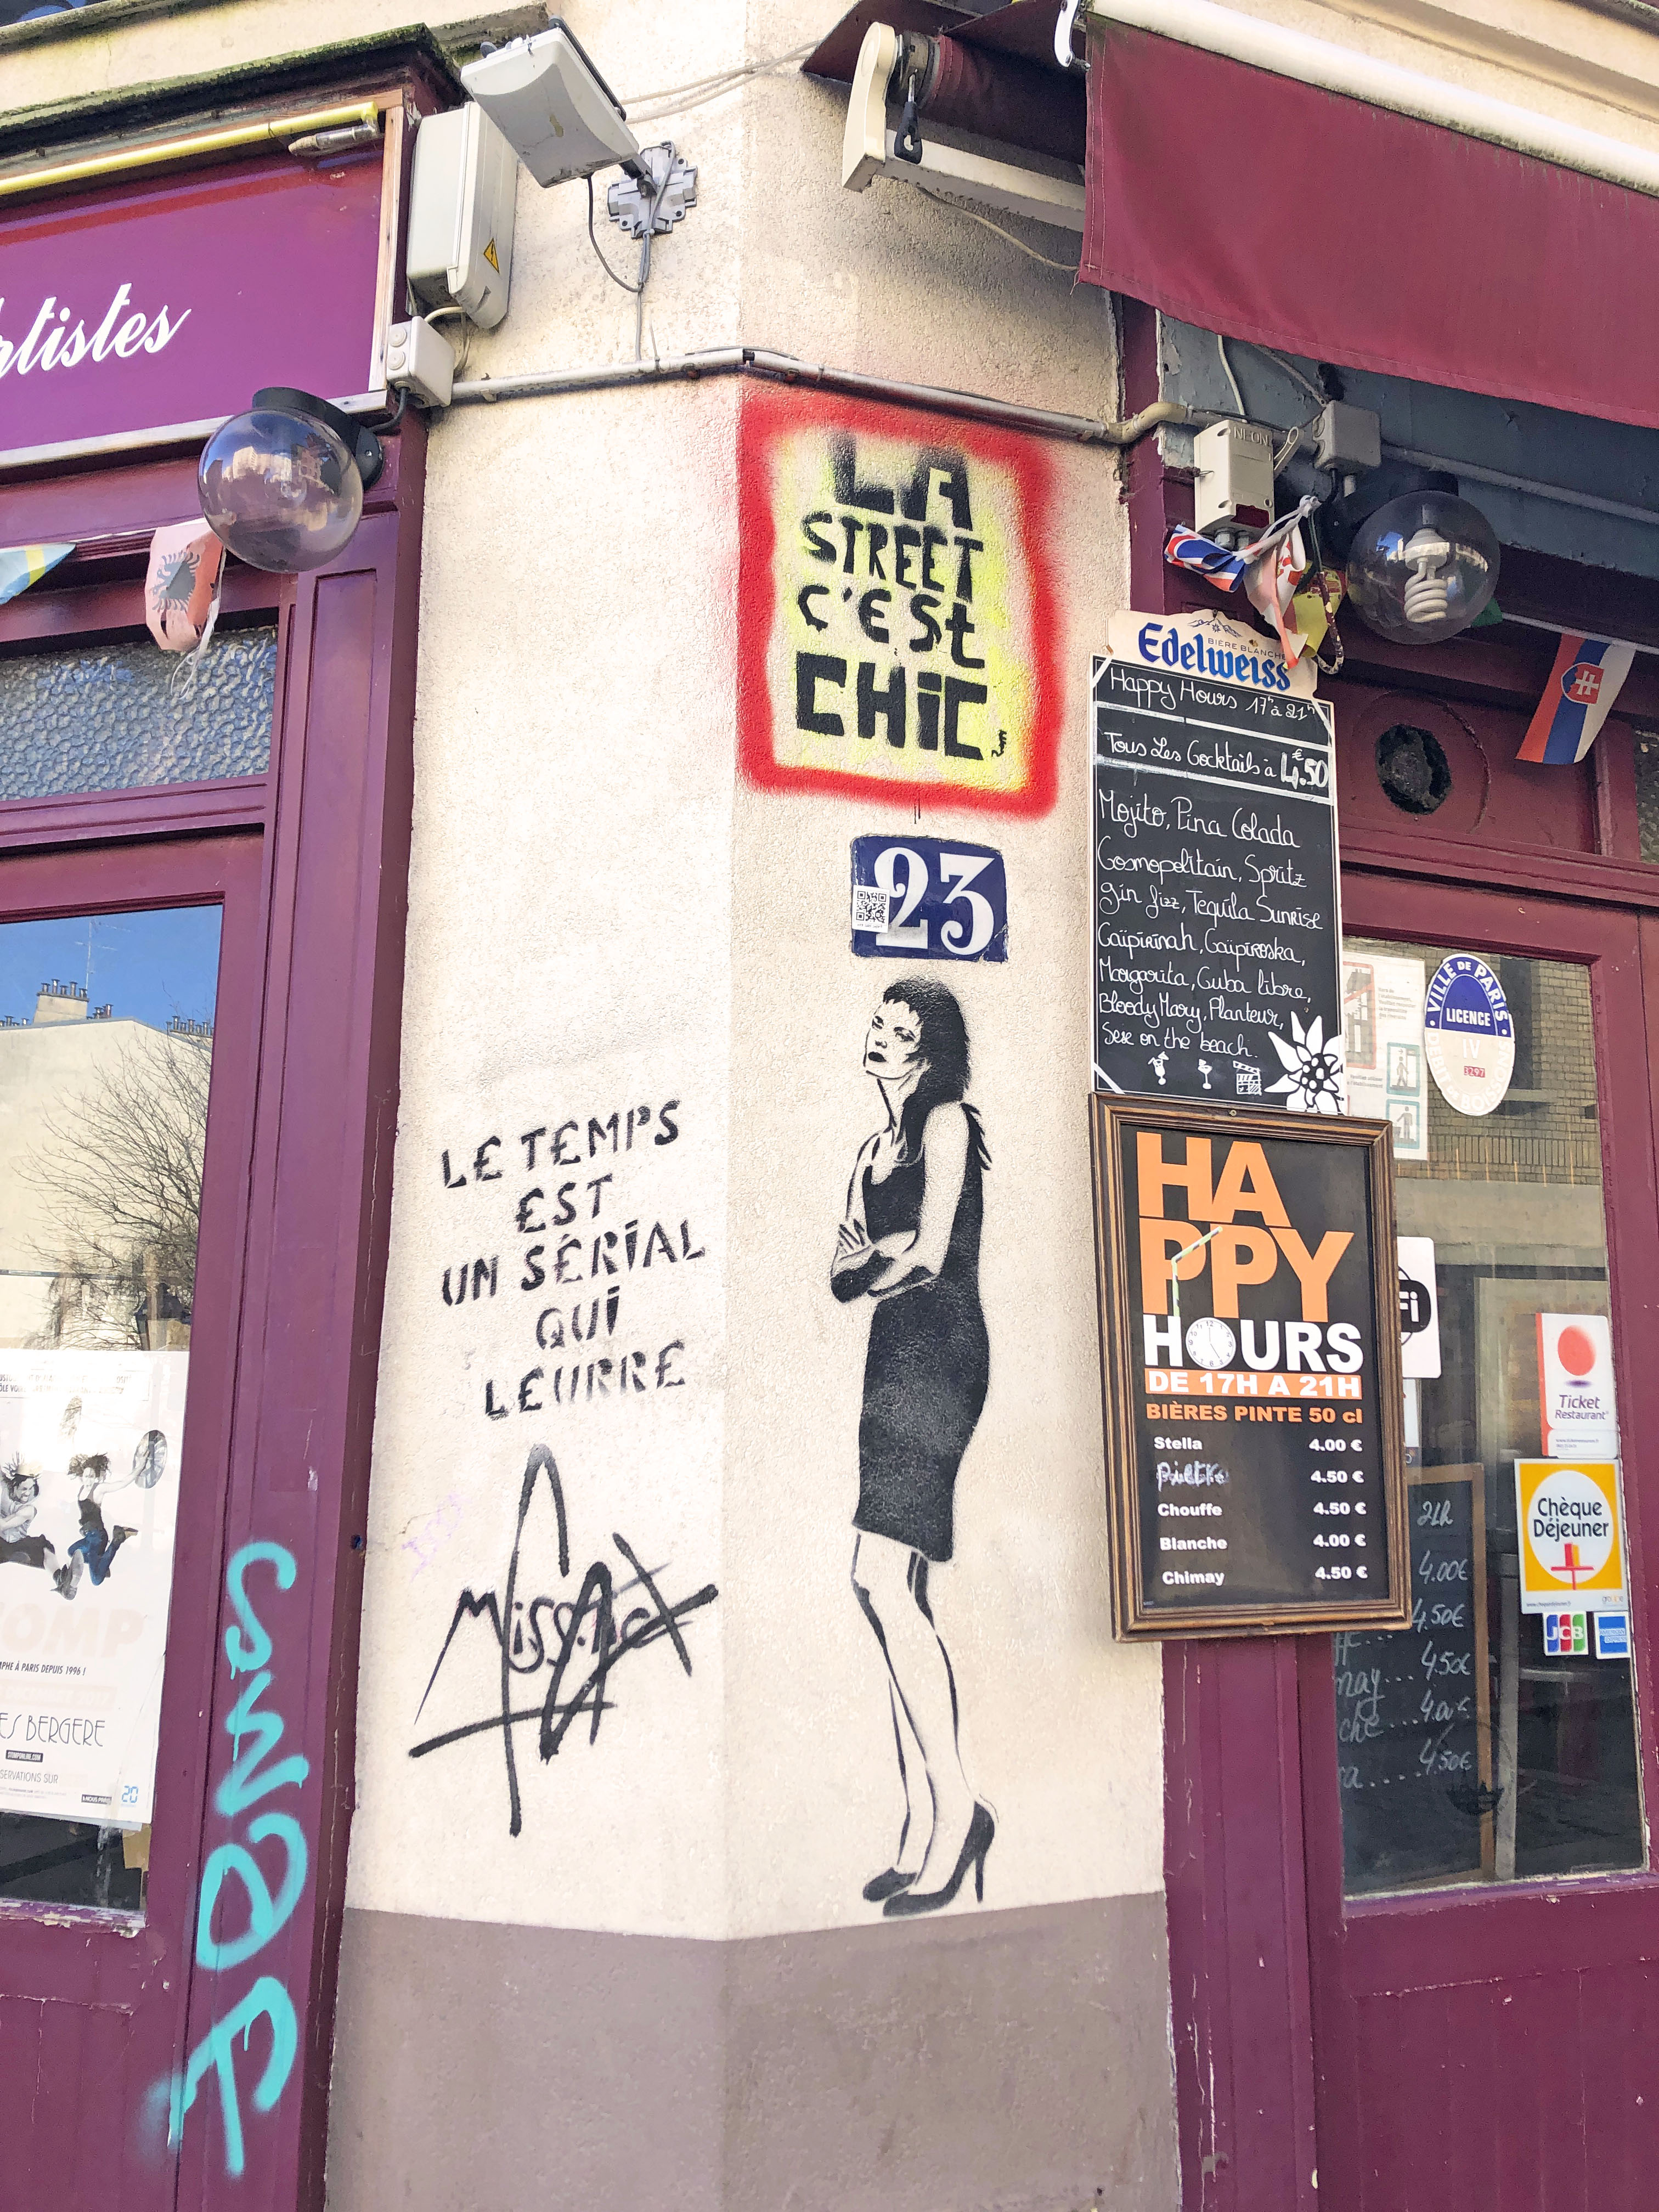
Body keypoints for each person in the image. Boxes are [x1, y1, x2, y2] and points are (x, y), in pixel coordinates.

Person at [832, 977, 995, 1917]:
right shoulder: (870, 1149)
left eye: (898, 1030)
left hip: (940, 1355)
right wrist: (870, 1263)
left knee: (881, 1580)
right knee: (887, 1587)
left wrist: (874, 1262)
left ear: (929, 1052)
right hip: (890, 1358)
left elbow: (929, 1255)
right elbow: (839, 1266)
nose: (879, 1037)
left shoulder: (947, 1125)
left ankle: (956, 1809)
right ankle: (920, 1816)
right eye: (877, 1023)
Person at [53, 1454, 134, 1600]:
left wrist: (138, 1470)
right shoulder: (82, 1490)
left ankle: (118, 1539)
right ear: (82, 1477)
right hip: (89, 1537)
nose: (89, 1480)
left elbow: (122, 1483)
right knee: (73, 1553)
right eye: (86, 1476)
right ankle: (103, 1563)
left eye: (92, 1476)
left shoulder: (98, 1490)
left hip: (98, 1538)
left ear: (96, 1477)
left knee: (95, 1579)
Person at [0, 1460, 54, 1571]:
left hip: (18, 1543)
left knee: (45, 1546)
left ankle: (59, 1575)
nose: (28, 1493)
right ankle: (14, 1556)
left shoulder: (29, 1510)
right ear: (15, 1487)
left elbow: (3, 1526)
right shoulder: (6, 1488)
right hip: (1, 1542)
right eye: (24, 1489)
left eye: (31, 1489)